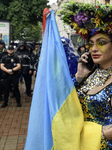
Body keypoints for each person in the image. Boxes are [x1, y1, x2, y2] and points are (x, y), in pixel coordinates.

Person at [59, 2, 112, 149]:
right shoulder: (90, 74)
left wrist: (94, 135)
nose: (94, 49)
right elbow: (65, 102)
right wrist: (79, 76)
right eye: (91, 44)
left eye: (101, 43)